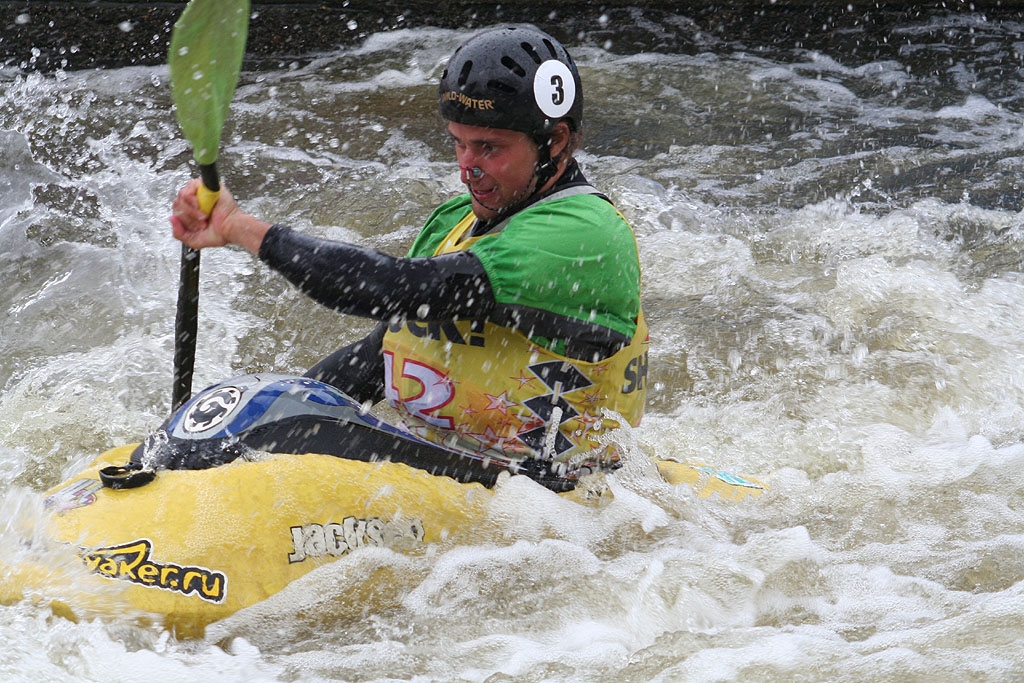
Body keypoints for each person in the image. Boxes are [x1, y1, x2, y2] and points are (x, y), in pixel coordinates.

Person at [170, 25, 648, 477]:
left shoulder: (587, 235)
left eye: (489, 148)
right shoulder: (455, 222)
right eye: (458, 144)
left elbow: (391, 288)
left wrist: (242, 229)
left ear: (556, 141)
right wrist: (264, 419)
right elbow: (379, 355)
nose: (467, 168)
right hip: (449, 477)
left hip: (558, 503)